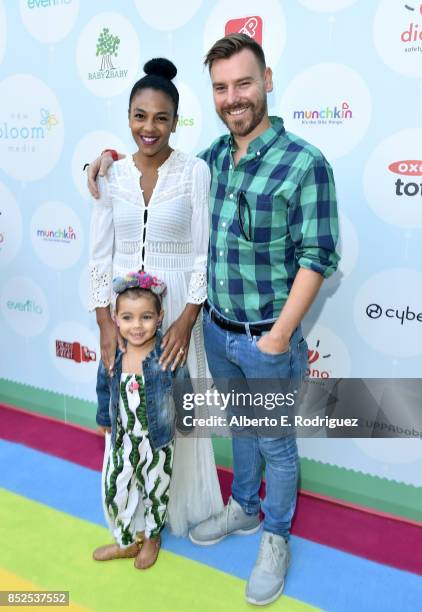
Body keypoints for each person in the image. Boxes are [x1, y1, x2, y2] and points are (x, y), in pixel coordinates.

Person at [87, 37, 339, 606]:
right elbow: (151, 159)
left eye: (244, 84)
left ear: (267, 80)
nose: (234, 98)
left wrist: (278, 337)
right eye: (222, 88)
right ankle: (245, 509)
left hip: (268, 338)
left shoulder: (306, 163)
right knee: (243, 431)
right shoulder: (214, 159)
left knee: (277, 442)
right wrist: (102, 161)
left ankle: (276, 537)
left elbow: (318, 257)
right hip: (219, 333)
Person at [88, 58, 223, 538]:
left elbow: (201, 252)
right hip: (126, 321)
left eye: (161, 117)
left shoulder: (195, 172)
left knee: (176, 416)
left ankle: (175, 507)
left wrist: (188, 319)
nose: (150, 127)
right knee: (128, 417)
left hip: (177, 314)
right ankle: (132, 517)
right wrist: (105, 323)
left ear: (175, 121)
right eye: (140, 116)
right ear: (128, 117)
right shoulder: (112, 175)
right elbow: (98, 257)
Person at [94, 271, 182, 568]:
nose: (137, 326)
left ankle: (153, 537)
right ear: (116, 319)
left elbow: (182, 385)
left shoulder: (165, 353)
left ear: (160, 317)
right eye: (128, 317)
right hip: (122, 437)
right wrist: (102, 415)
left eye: (146, 317)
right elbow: (104, 385)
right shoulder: (114, 353)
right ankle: (126, 541)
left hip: (157, 441)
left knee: (156, 490)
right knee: (113, 488)